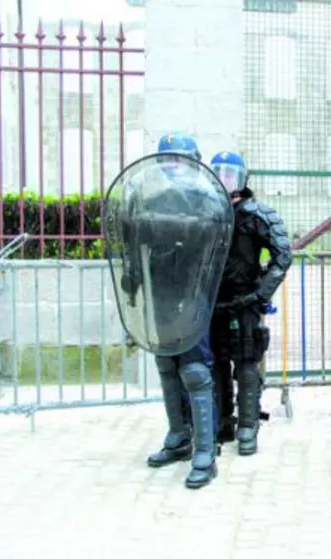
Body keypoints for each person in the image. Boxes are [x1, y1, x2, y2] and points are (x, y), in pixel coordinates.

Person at [121, 132, 230, 489]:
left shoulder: (208, 198)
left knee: (196, 371)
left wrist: (158, 226)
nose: (172, 166)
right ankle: (178, 436)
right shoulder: (154, 196)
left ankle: (205, 451)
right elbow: (134, 240)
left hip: (194, 292)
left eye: (178, 159)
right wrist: (133, 278)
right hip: (162, 289)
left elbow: (206, 235)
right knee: (166, 364)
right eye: (166, 159)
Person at [208, 150, 292, 456]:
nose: (224, 179)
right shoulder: (205, 212)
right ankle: (220, 423)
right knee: (214, 363)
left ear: (242, 179)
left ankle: (247, 424)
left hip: (246, 300)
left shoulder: (257, 214)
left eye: (231, 174)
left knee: (246, 362)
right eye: (219, 172)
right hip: (211, 301)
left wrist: (260, 293)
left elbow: (283, 255)